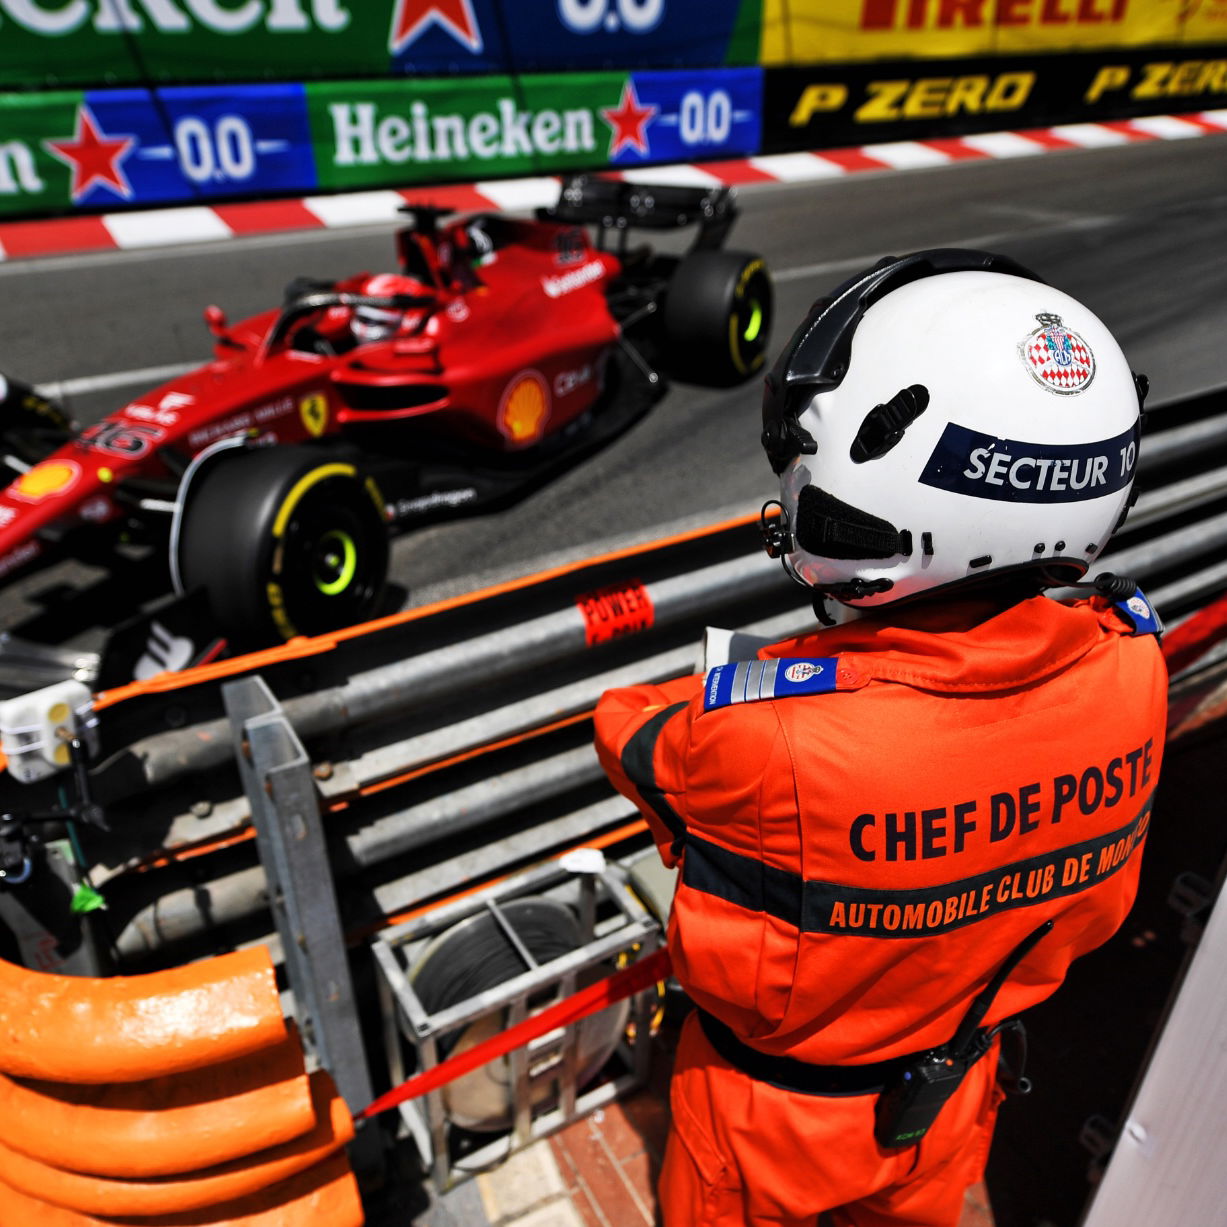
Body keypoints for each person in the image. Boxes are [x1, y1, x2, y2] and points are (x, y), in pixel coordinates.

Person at [593, 248, 1168, 1227]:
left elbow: (628, 727)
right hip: (956, 1088)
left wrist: (788, 671)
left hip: (767, 1122)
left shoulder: (768, 734)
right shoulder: (1133, 662)